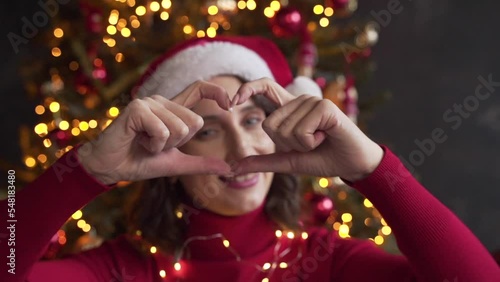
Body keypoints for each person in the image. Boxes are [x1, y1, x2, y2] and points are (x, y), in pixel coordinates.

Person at [1, 36, 498, 282]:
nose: (241, 151)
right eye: (209, 131)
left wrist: (372, 168)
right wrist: (86, 172)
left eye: (255, 121)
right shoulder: (118, 270)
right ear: (169, 150)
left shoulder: (328, 263)